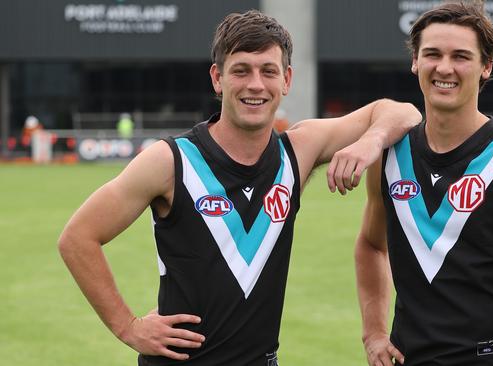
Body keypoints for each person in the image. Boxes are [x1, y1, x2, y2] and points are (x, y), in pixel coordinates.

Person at [57, 10, 421, 366]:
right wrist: (128, 327)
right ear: (218, 78)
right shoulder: (171, 160)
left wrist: (369, 142)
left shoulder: (299, 149)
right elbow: (78, 237)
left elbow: (403, 112)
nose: (255, 85)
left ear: (287, 79)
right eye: (241, 71)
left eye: (268, 71)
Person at [354, 3, 493, 366]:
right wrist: (373, 333)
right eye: (432, 54)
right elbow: (372, 246)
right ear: (415, 62)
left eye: (461, 56)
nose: (445, 68)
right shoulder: (389, 155)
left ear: (486, 67)